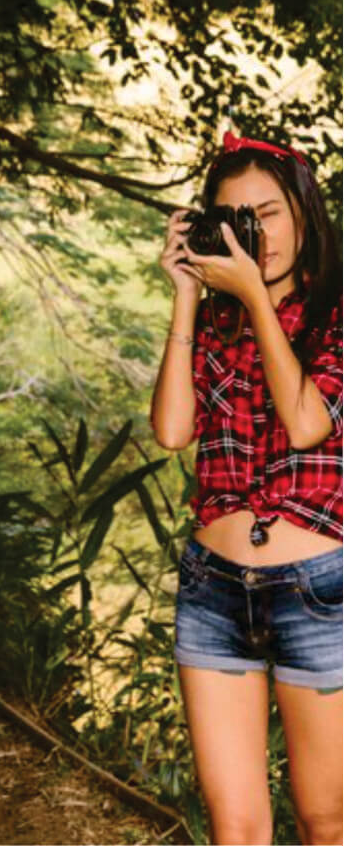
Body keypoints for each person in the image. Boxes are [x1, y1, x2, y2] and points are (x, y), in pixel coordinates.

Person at [151, 132, 342, 846]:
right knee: (237, 830)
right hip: (214, 589)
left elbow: (304, 424)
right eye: (237, 218)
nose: (256, 233)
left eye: (270, 212)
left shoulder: (336, 314)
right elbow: (173, 430)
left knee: (327, 822)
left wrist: (257, 301)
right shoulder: (212, 322)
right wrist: (185, 295)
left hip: (321, 592)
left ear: (303, 215)